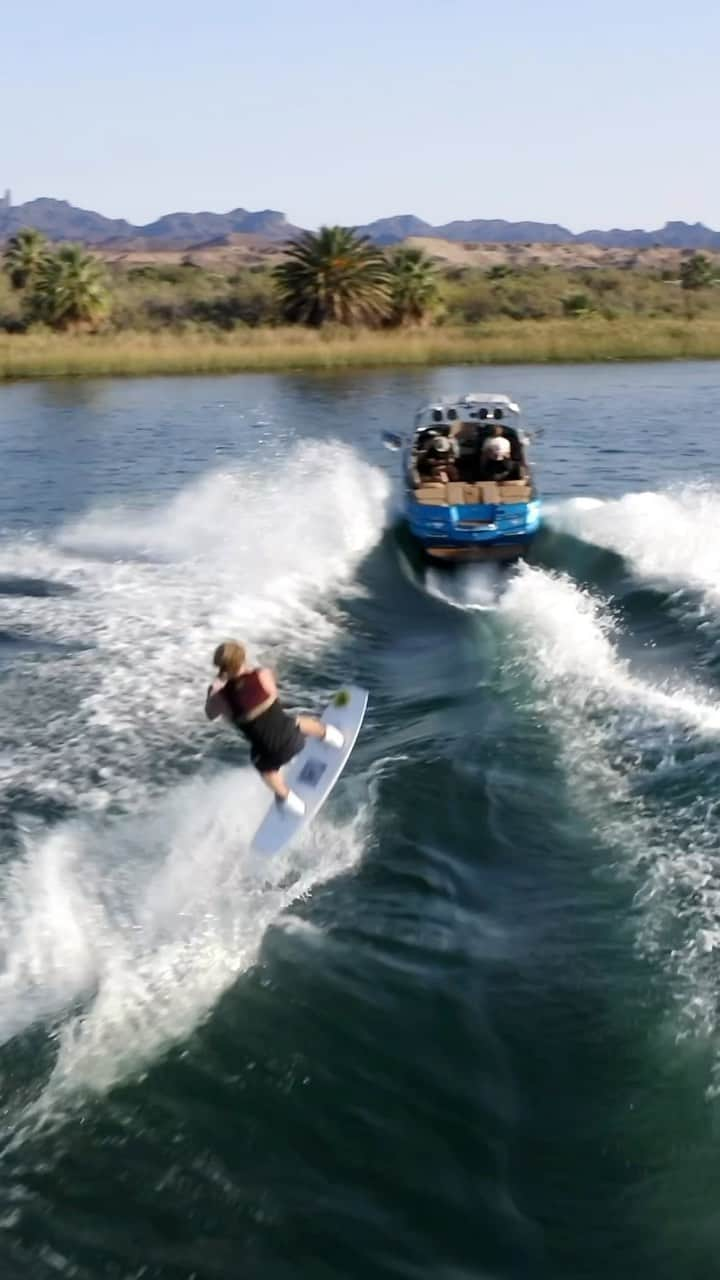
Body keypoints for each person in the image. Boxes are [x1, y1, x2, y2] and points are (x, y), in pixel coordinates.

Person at [205, 640, 344, 817]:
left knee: (265, 772)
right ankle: (332, 737)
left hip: (269, 755)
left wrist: (213, 692)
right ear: (242, 659)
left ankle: (290, 801)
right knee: (298, 721)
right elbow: (271, 691)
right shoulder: (262, 674)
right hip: (294, 740)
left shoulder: (221, 698)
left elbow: (210, 714)